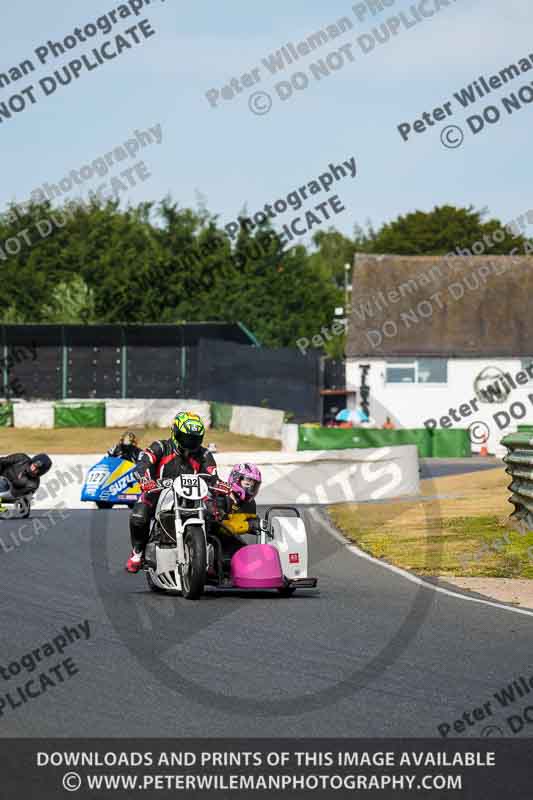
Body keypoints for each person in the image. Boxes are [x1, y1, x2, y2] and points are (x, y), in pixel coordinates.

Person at [125, 411, 218, 573]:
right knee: (139, 516)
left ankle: (209, 556)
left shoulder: (204, 454)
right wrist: (145, 479)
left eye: (195, 438)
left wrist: (218, 486)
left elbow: (213, 475)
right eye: (186, 437)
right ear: (175, 433)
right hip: (159, 491)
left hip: (193, 495)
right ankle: (137, 552)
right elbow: (143, 463)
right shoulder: (160, 447)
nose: (190, 442)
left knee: (215, 512)